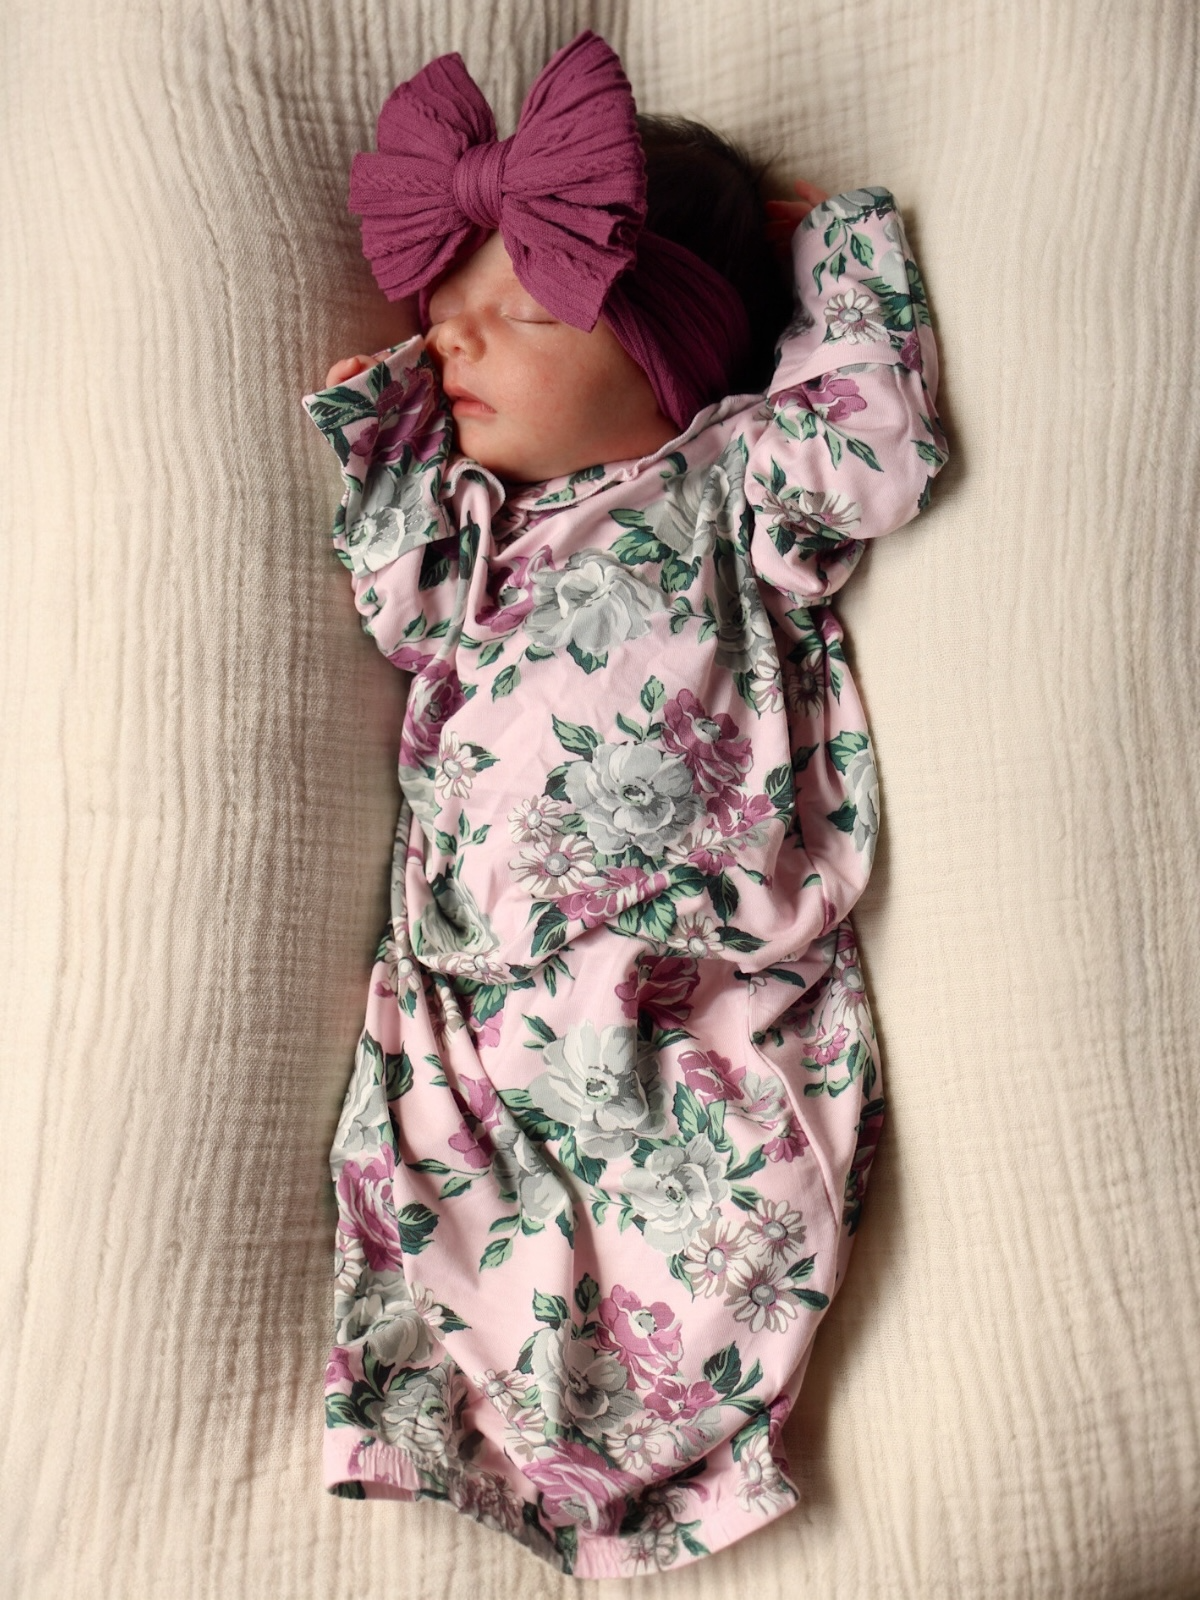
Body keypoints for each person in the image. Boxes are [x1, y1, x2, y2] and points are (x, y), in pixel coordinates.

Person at [301, 29, 947, 1579]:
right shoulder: (479, 534)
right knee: (444, 1212)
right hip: (474, 984)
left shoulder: (736, 488)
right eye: (439, 321)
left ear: (664, 350)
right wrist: (387, 421)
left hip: (689, 968)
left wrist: (833, 243)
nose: (453, 346)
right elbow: (393, 600)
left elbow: (876, 453)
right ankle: (486, 1439)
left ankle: (677, 1461)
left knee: (714, 1219)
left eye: (509, 314)